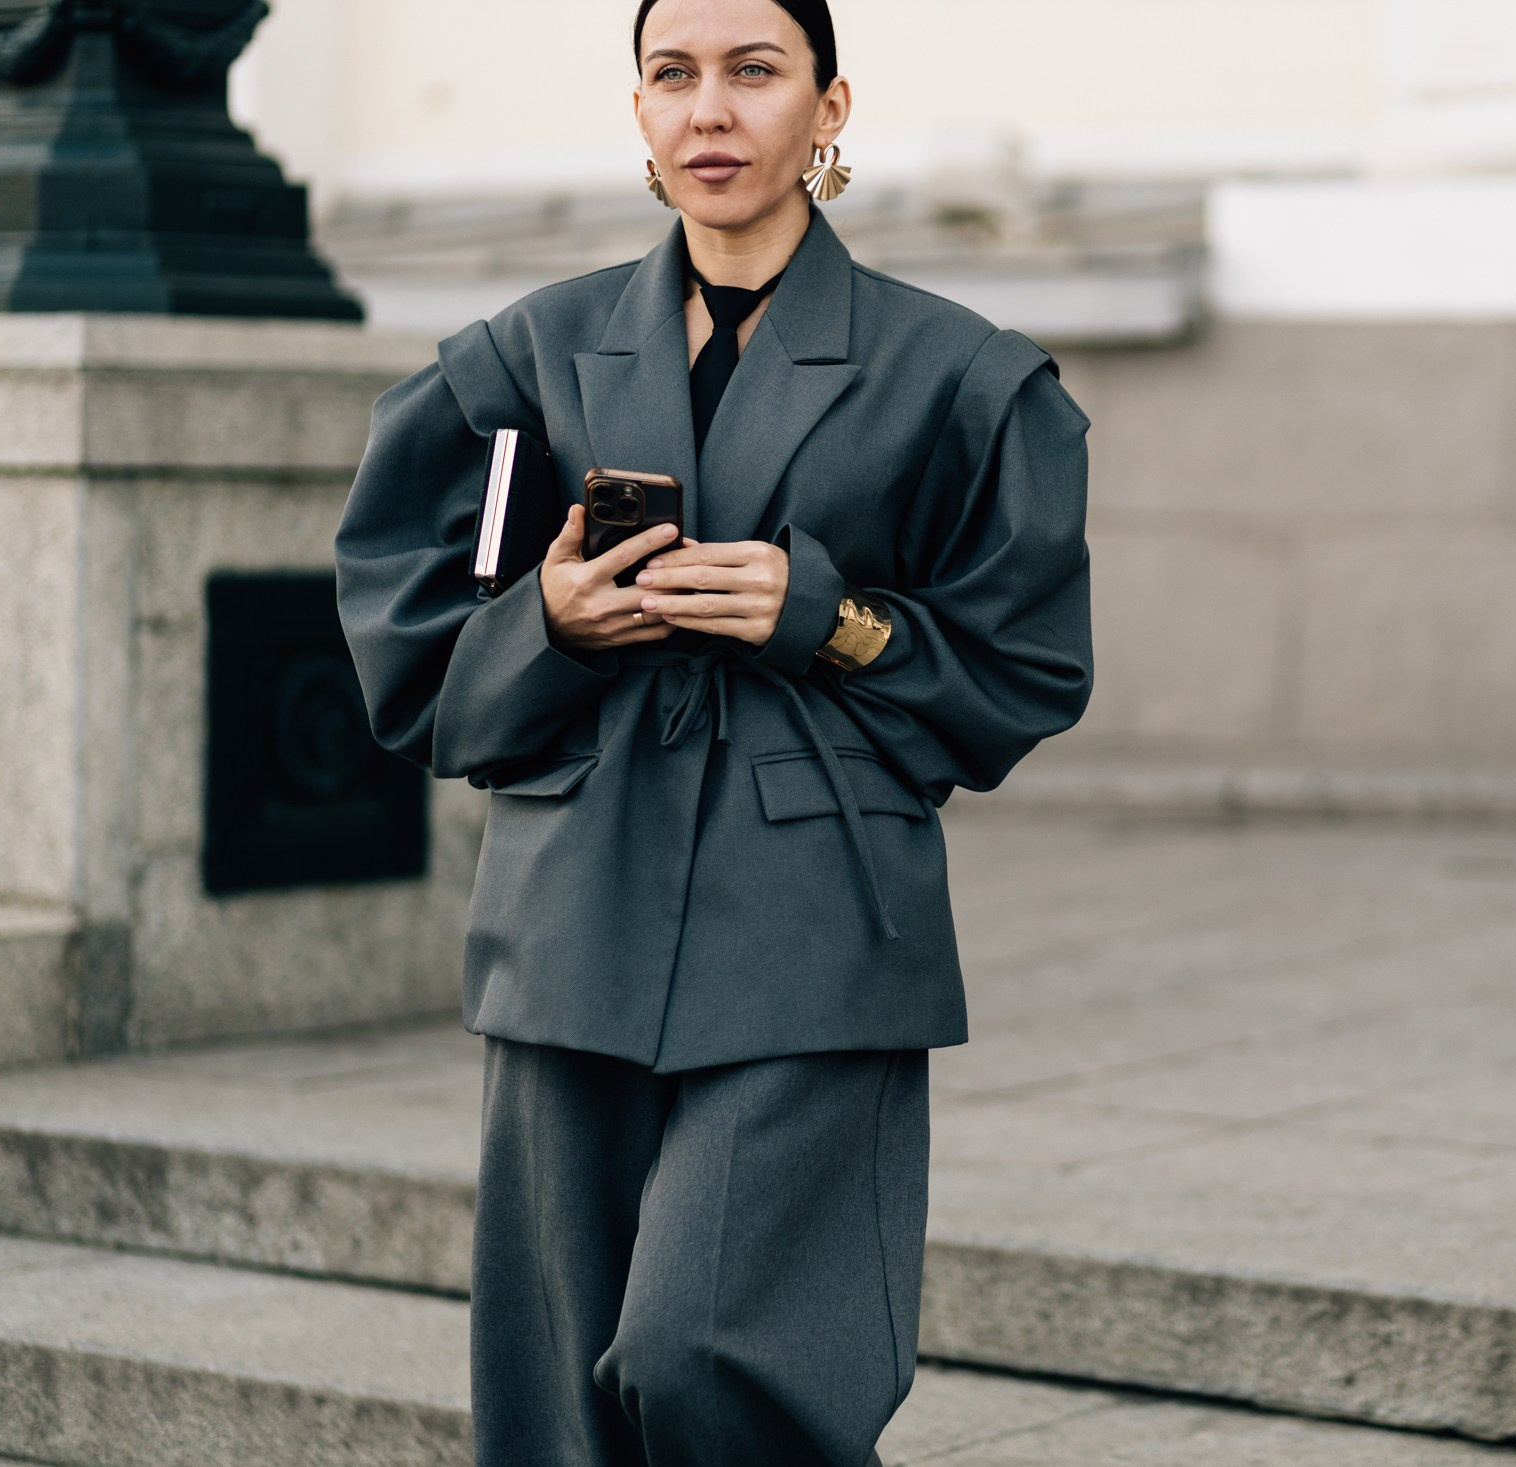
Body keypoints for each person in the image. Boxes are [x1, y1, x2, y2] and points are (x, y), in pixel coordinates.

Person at [333, 0, 1094, 1460]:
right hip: (572, 908)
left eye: (756, 73)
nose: (711, 112)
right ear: (637, 114)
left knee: (712, 1355)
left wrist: (828, 614)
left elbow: (1024, 666)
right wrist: (549, 620)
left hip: (814, 921)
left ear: (831, 107)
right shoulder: (520, 363)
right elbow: (411, 655)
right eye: (672, 76)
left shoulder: (960, 377)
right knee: (554, 1407)